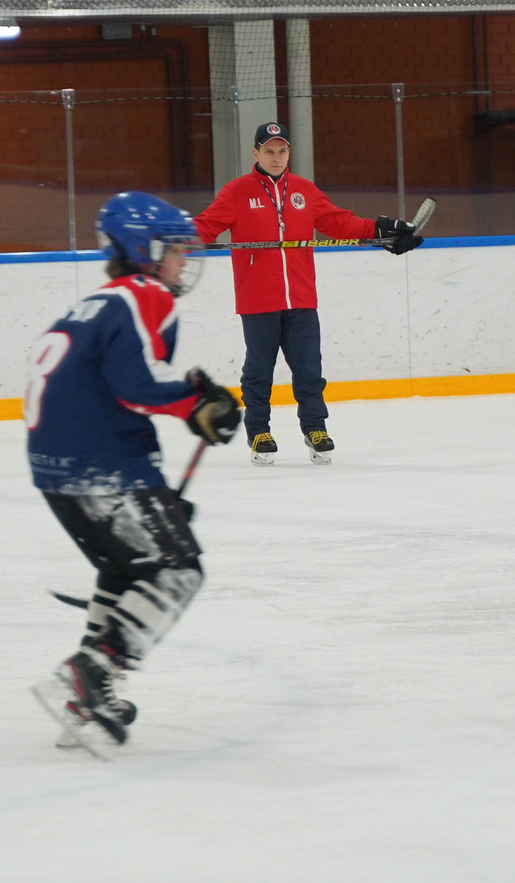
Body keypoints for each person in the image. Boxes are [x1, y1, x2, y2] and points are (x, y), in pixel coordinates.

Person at [28, 191, 243, 754]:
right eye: (175, 250)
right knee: (177, 570)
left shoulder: (93, 304)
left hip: (57, 468)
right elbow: (137, 385)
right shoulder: (146, 294)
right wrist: (198, 403)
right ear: (143, 250)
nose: (183, 261)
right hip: (101, 466)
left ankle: (84, 698)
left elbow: (107, 383)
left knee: (128, 568)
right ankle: (90, 673)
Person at [194, 119, 423, 466]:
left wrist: (381, 230)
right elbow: (206, 226)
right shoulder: (237, 192)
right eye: (269, 151)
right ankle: (259, 432)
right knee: (258, 371)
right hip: (258, 301)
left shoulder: (303, 190)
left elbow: (339, 222)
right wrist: (173, 236)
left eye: (282, 151)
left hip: (301, 299)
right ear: (256, 153)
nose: (276, 157)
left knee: (309, 371)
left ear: (289, 153)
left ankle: (315, 428)